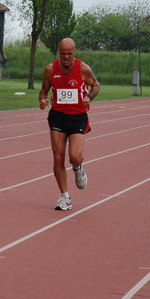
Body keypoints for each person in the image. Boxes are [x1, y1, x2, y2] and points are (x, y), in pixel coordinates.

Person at [39, 38, 100, 210]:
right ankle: (65, 196)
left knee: (74, 156)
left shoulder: (83, 68)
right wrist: (43, 100)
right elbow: (43, 91)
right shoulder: (50, 69)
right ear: (59, 52)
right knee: (58, 157)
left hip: (78, 116)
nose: (66, 57)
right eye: (63, 54)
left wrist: (89, 97)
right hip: (57, 116)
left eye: (69, 54)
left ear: (75, 52)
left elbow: (96, 85)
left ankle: (78, 166)